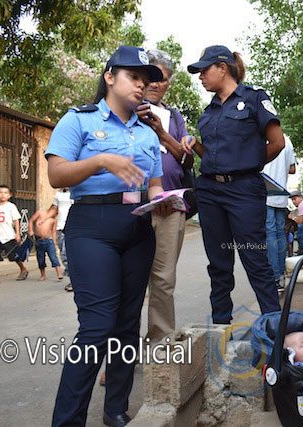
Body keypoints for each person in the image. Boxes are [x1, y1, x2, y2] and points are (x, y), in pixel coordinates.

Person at [46, 45, 166, 427]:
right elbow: (56, 175)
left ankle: (115, 409)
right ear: (110, 77)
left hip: (138, 228)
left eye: (146, 81)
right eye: (134, 77)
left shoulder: (147, 134)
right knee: (97, 326)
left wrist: (164, 201)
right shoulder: (78, 120)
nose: (141, 86)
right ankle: (67, 420)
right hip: (92, 227)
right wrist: (100, 160)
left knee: (127, 325)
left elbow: (154, 185)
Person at [184, 45, 285, 324]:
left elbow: (277, 143)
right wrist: (195, 145)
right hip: (210, 190)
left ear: (222, 68)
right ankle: (221, 326)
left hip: (244, 190)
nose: (200, 77)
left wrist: (248, 164)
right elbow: (212, 156)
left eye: (204, 70)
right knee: (219, 263)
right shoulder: (210, 110)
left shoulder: (254, 98)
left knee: (255, 259)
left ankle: (275, 327)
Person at [135, 48, 194, 342]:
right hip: (132, 204)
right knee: (130, 277)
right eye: (153, 77)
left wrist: (161, 132)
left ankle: (159, 340)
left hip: (170, 204)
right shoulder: (126, 107)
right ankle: (123, 347)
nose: (157, 84)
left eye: (164, 79)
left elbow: (187, 160)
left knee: (163, 277)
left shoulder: (174, 116)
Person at [262, 134, 296, 291]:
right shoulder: (287, 140)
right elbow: (292, 169)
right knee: (281, 233)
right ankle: (281, 275)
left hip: (266, 192)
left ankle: (275, 277)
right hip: (281, 194)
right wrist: (280, 167)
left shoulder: (261, 137)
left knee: (270, 232)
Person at [0, 185, 28, 285]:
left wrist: (17, 233)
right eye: (0, 192)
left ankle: (23, 269)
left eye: (5, 193)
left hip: (9, 235)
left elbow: (16, 220)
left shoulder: (11, 206)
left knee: (13, 256)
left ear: (9, 195)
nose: (3, 195)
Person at [28, 207, 63, 281]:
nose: (55, 213)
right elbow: (31, 220)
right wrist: (30, 230)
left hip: (49, 240)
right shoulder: (40, 213)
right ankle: (43, 275)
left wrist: (54, 242)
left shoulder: (53, 220)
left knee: (53, 257)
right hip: (39, 240)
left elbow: (54, 231)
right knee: (40, 258)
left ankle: (59, 273)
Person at [51, 188, 74, 291]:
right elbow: (54, 209)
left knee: (67, 254)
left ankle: (74, 280)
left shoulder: (76, 191)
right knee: (63, 255)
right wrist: (44, 218)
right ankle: (73, 278)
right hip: (60, 228)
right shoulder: (58, 194)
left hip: (71, 226)